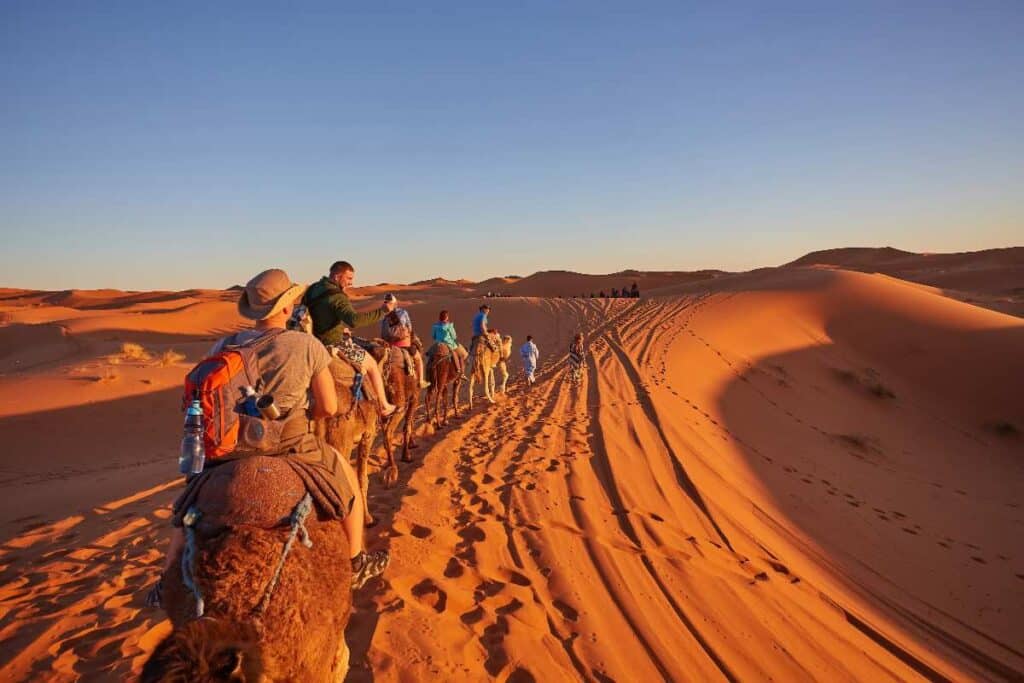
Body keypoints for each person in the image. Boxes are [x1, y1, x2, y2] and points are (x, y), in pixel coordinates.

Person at [150, 269, 389, 605]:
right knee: (345, 482)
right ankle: (356, 562)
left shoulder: (224, 344)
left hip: (228, 449)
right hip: (288, 445)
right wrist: (307, 416)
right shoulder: (305, 345)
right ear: (287, 308)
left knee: (190, 505)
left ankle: (166, 582)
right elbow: (328, 407)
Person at [303, 260, 397, 416]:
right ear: (337, 276)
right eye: (348, 279)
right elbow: (354, 320)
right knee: (372, 365)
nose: (350, 283)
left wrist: (338, 326)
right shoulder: (338, 297)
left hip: (313, 341)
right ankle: (384, 406)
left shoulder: (313, 289)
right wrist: (383, 311)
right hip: (334, 343)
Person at [380, 294, 429, 389]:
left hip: (390, 346)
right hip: (404, 344)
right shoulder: (403, 312)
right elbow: (409, 328)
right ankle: (420, 381)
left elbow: (383, 334)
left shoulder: (383, 317)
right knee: (418, 358)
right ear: (395, 303)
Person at [429, 309, 468, 375]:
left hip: (438, 344)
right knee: (462, 355)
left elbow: (433, 336)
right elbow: (454, 336)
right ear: (447, 317)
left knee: (430, 355)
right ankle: (461, 372)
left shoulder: (435, 326)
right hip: (449, 344)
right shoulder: (449, 325)